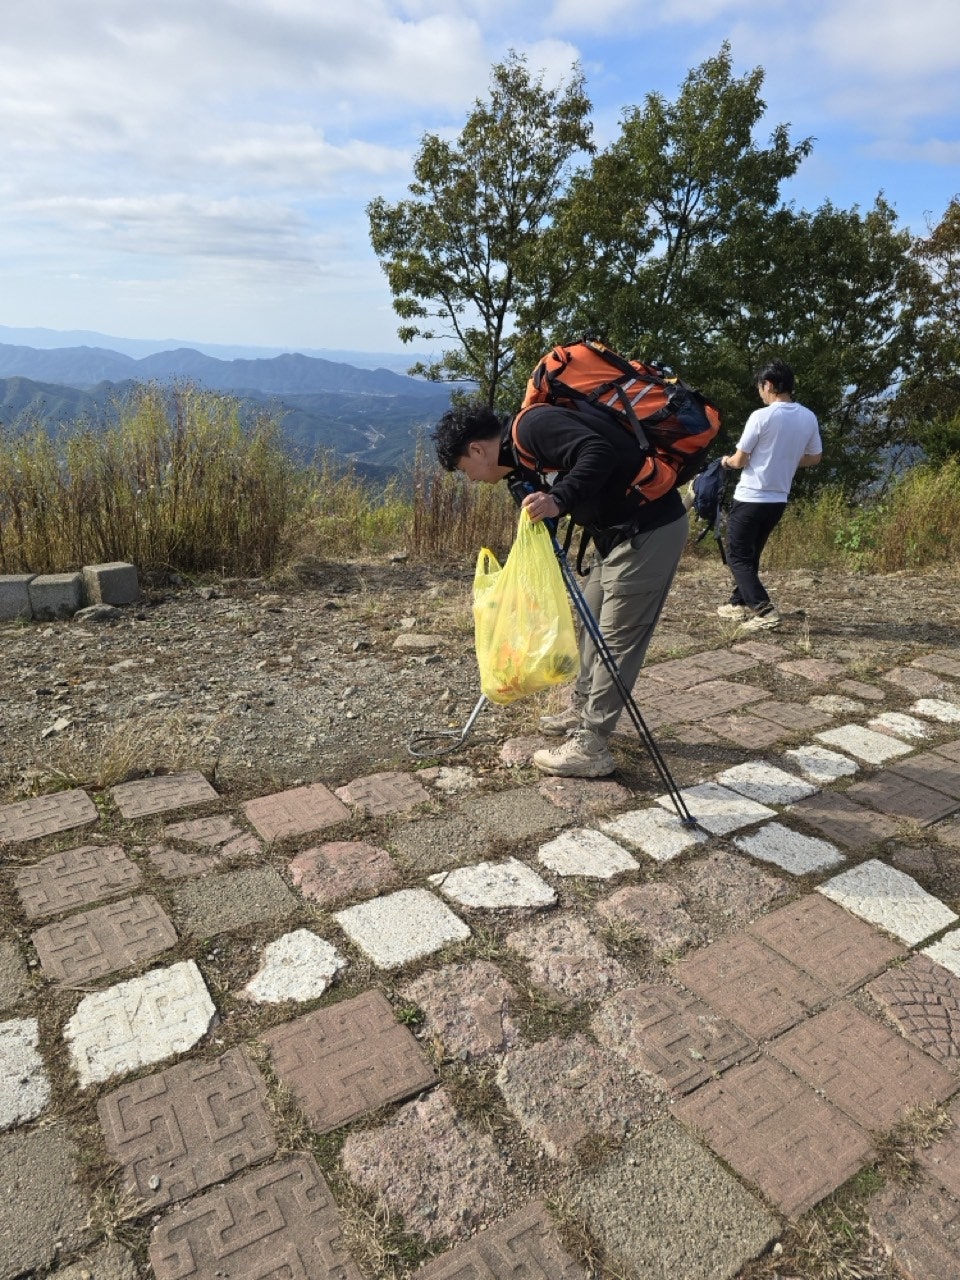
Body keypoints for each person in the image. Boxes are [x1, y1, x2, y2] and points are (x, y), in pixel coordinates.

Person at [432, 399, 688, 778]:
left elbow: (597, 452)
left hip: (648, 532)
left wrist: (558, 500)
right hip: (613, 537)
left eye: (463, 468)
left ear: (477, 449)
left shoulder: (533, 427)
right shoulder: (519, 459)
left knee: (616, 641)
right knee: (591, 624)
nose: (469, 478)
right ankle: (581, 709)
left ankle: (592, 743)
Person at [717, 359, 822, 633]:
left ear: (770, 385)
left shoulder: (761, 417)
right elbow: (815, 457)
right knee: (750, 554)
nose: (759, 392)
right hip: (777, 499)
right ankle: (737, 603)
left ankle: (764, 610)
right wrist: (785, 461)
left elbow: (740, 460)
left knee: (737, 556)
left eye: (760, 386)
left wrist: (725, 462)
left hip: (751, 496)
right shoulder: (808, 416)